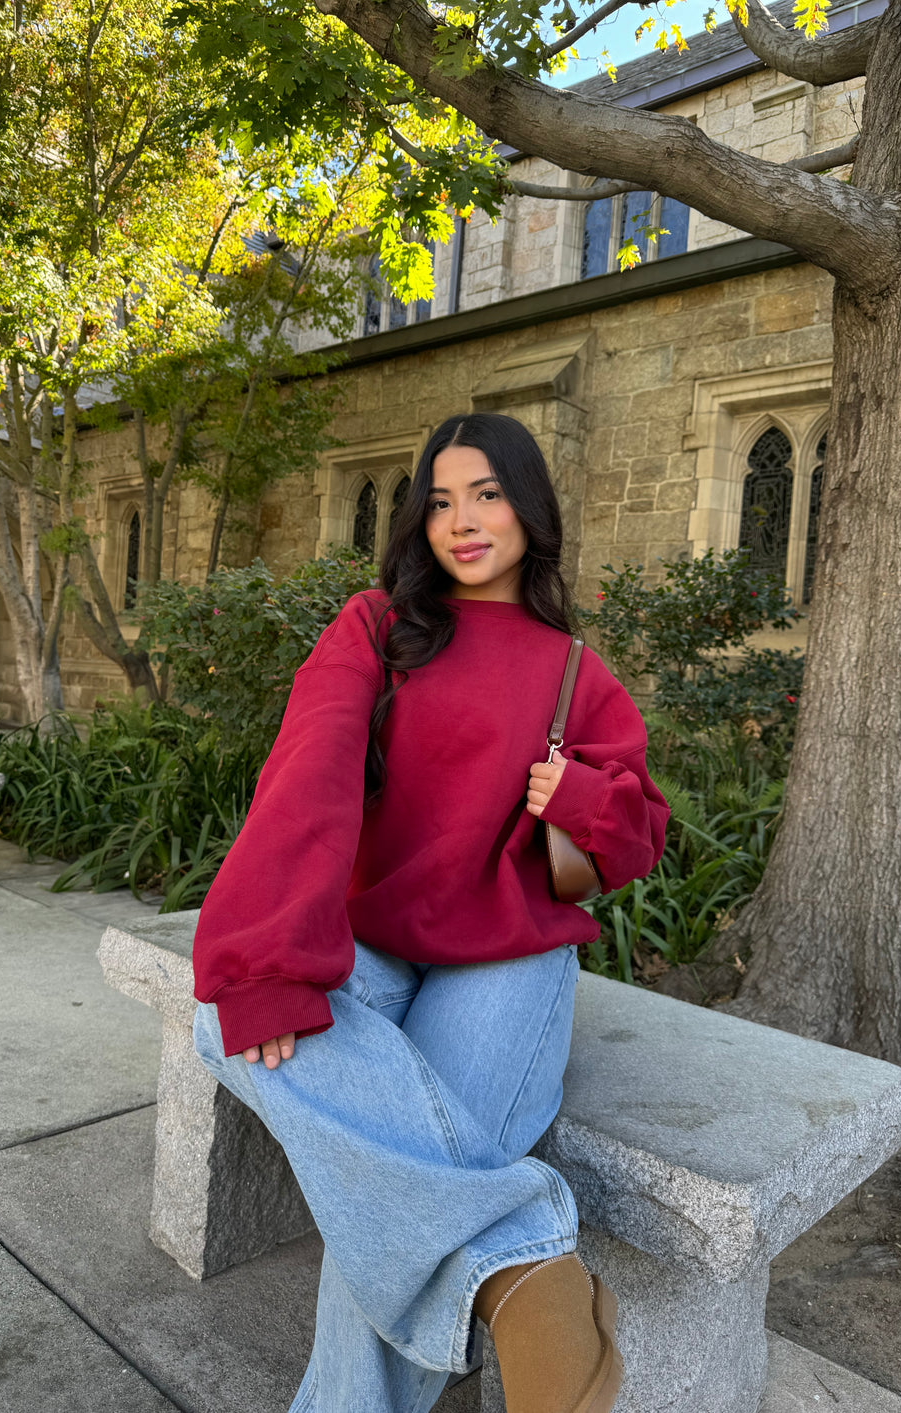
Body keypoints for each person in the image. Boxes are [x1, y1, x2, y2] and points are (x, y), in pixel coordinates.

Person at [192, 412, 669, 1413]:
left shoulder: (578, 674)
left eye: (486, 494)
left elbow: (633, 843)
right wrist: (273, 955)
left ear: (529, 511)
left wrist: (576, 797)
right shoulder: (380, 625)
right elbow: (310, 770)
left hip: (507, 953)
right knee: (227, 1018)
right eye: (440, 499)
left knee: (392, 1188)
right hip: (373, 938)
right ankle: (532, 1270)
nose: (461, 519)